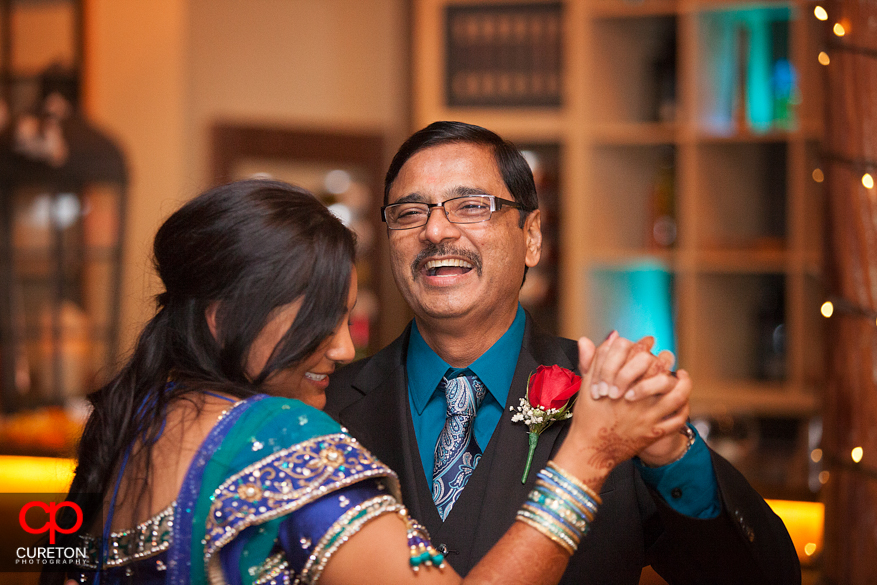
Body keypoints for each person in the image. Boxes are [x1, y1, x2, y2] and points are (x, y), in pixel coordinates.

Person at [46, 179, 690, 585]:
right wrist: (587, 456)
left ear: (530, 235)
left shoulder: (134, 423)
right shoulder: (276, 437)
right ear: (222, 319)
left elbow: (47, 560)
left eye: (346, 319)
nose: (343, 347)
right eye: (320, 324)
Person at [325, 121, 801, 584]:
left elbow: (768, 576)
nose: (434, 231)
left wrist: (671, 454)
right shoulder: (328, 405)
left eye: (470, 206)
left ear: (531, 237)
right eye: (410, 213)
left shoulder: (613, 394)